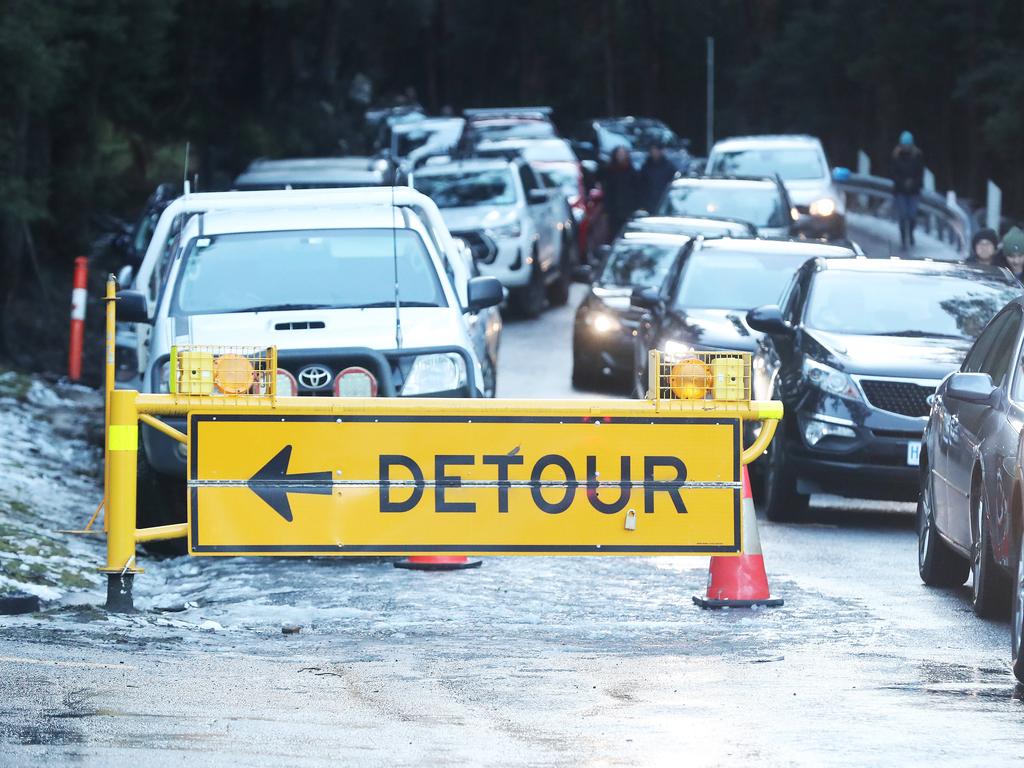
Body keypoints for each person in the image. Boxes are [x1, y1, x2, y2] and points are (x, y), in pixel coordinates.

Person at [890, 131, 924, 250]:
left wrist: (913, 183)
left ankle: (911, 234)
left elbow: (920, 173)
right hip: (900, 190)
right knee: (903, 215)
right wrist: (902, 182)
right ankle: (904, 239)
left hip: (914, 191)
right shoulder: (896, 155)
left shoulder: (917, 155)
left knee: (912, 215)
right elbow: (893, 173)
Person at [600, 146, 641, 242]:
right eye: (619, 154)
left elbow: (637, 191)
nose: (621, 156)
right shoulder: (610, 171)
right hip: (614, 211)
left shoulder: (632, 172)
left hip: (628, 210)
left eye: (623, 154)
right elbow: (607, 192)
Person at [639, 142, 677, 213]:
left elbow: (673, 183)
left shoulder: (669, 166)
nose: (654, 152)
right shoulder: (646, 166)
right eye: (652, 150)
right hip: (648, 201)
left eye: (656, 150)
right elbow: (641, 184)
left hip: (663, 200)